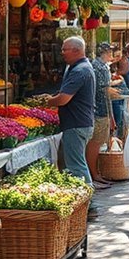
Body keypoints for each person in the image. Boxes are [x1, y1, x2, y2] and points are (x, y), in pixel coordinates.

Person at [40, 36, 99, 218]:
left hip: (76, 124)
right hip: (79, 123)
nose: (62, 52)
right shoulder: (77, 68)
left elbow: (64, 98)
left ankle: (90, 206)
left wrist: (46, 101)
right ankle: (84, 202)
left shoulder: (80, 70)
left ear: (76, 50)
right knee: (75, 164)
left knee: (77, 166)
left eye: (65, 49)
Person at [88, 42, 117, 189]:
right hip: (98, 111)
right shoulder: (99, 67)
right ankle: (94, 174)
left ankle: (95, 173)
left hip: (101, 110)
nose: (111, 54)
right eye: (110, 51)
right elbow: (103, 91)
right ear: (104, 52)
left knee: (97, 143)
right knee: (95, 143)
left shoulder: (101, 66)